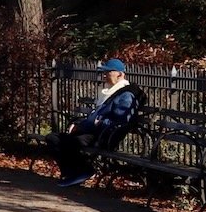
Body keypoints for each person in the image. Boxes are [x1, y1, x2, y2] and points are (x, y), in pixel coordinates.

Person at [54, 59, 144, 188]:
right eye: (104, 72)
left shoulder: (126, 95)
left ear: (119, 74)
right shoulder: (110, 92)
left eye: (107, 72)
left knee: (71, 142)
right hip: (92, 131)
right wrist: (80, 124)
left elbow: (121, 120)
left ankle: (83, 171)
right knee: (53, 138)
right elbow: (94, 116)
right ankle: (72, 173)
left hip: (103, 136)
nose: (104, 75)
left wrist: (100, 121)